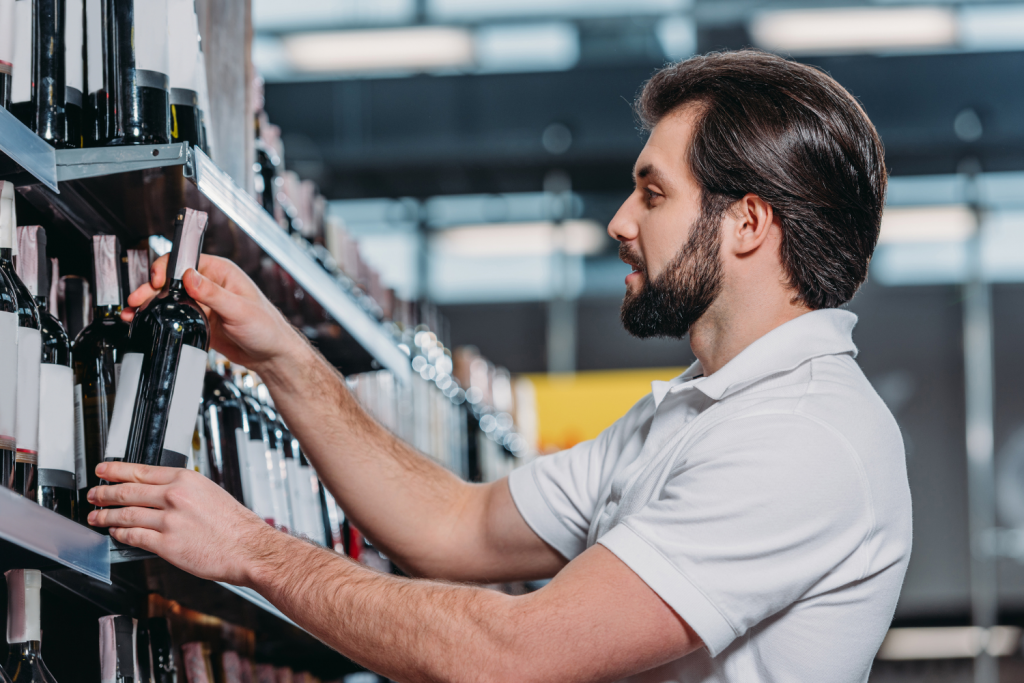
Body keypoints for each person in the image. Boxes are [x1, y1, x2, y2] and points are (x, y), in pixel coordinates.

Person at [88, 50, 912, 683]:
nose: (620, 221)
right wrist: (283, 358)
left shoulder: (799, 438)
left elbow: (513, 651)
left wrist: (247, 548)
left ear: (748, 224)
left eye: (653, 193)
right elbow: (457, 525)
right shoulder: (699, 412)